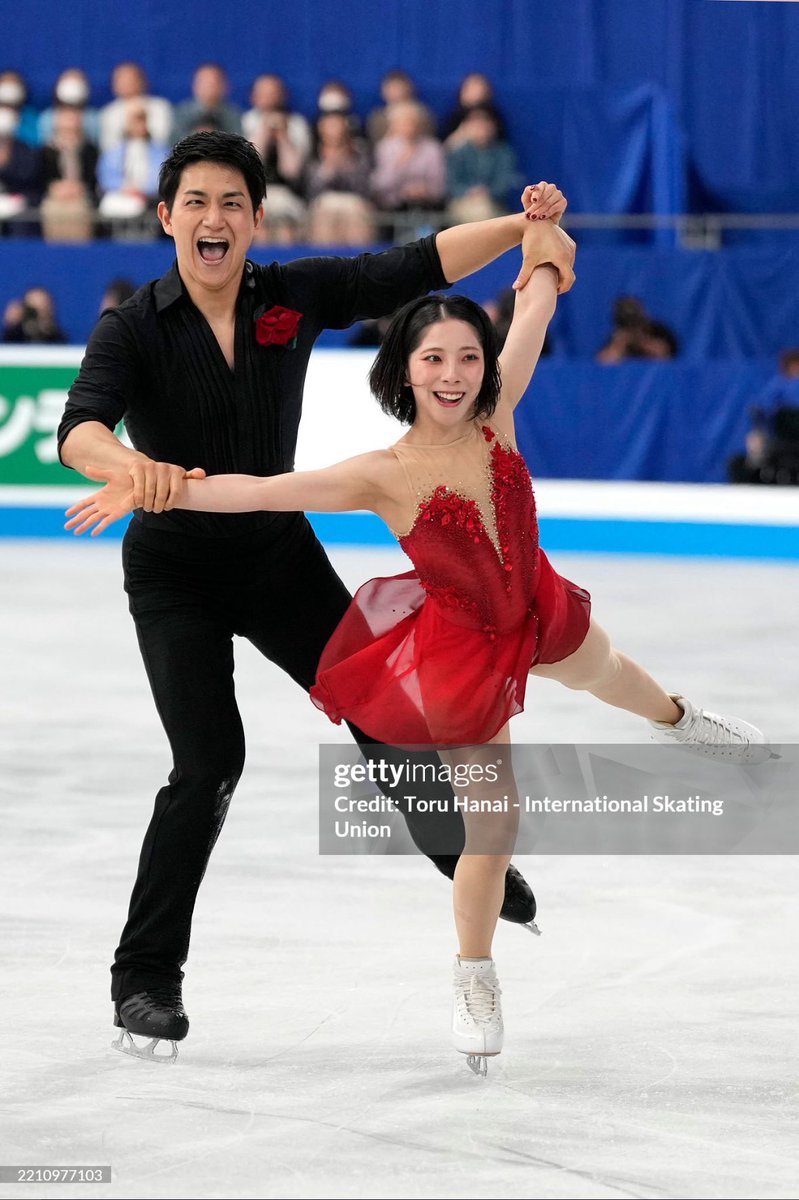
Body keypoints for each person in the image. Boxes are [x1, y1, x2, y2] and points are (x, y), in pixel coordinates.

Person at [67, 243, 770, 1075]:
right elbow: (253, 489)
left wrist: (542, 246)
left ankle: (683, 722)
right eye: (433, 358)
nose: (453, 373)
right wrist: (154, 483)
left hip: (536, 611)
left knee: (613, 674)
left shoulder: (496, 418)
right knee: (490, 824)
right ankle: (475, 974)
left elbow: (534, 315)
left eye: (467, 357)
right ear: (403, 371)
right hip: (466, 653)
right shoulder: (381, 473)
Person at [56, 128, 575, 1062]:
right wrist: (133, 466)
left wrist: (521, 224)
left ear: (256, 219)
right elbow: (79, 432)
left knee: (388, 711)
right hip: (174, 572)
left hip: (275, 553)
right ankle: (144, 978)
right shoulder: (131, 326)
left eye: (232, 204)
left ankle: (466, 861)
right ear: (166, 217)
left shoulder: (288, 294)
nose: (214, 220)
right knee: (208, 762)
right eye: (196, 204)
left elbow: (405, 267)